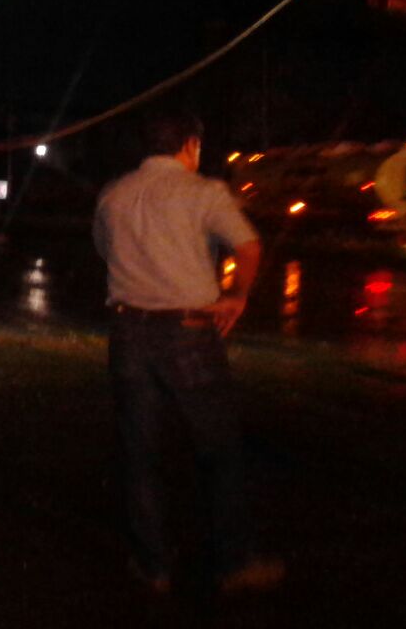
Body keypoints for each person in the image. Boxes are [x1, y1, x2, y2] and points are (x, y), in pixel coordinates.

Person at [93, 109, 283, 596]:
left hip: (128, 333)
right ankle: (232, 562)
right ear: (191, 145)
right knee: (219, 449)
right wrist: (236, 295)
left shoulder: (113, 195)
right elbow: (249, 245)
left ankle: (153, 565)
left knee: (140, 454)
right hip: (189, 333)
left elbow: (105, 249)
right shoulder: (204, 193)